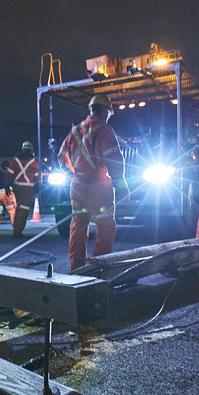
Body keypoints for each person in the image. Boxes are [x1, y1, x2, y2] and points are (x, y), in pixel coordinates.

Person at [58, 94, 129, 271]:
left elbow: (61, 157)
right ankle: (98, 267)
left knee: (78, 225)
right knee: (105, 225)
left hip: (78, 186)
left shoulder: (74, 131)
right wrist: (121, 186)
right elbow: (114, 161)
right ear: (105, 111)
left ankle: (77, 266)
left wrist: (77, 173)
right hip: (99, 186)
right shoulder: (104, 130)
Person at [5, 141, 39, 237]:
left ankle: (16, 229)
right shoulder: (34, 161)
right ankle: (17, 231)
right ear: (31, 150)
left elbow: (9, 173)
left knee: (19, 208)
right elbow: (37, 178)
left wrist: (7, 185)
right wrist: (38, 188)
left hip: (17, 187)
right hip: (28, 189)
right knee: (24, 209)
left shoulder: (16, 160)